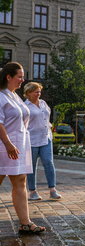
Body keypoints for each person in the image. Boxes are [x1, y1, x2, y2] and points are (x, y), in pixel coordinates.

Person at [0, 62, 46, 233]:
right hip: (5, 146)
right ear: (8, 77)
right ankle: (25, 222)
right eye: (19, 76)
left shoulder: (14, 96)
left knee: (20, 181)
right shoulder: (1, 96)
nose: (22, 79)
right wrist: (8, 144)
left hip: (18, 146)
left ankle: (25, 223)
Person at [24, 82, 61, 200]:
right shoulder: (25, 106)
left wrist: (49, 129)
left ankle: (52, 189)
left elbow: (47, 118)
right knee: (32, 166)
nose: (38, 93)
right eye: (36, 91)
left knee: (48, 163)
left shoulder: (43, 103)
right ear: (28, 93)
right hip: (32, 140)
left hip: (46, 138)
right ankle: (32, 191)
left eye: (39, 91)